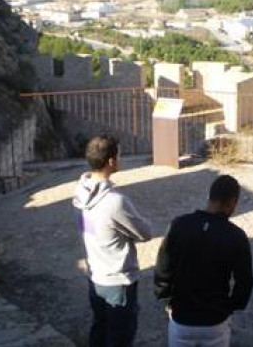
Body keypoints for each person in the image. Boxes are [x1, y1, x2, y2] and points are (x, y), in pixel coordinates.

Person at [154, 175, 253, 347]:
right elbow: (245, 281)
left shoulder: (179, 225)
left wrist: (166, 299)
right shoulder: (236, 236)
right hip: (215, 321)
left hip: (181, 318)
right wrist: (231, 307)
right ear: (233, 202)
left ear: (209, 196)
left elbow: (163, 268)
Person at [73, 134, 153, 347]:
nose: (121, 158)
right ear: (111, 161)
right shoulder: (115, 202)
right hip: (118, 281)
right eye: (119, 154)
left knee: (99, 329)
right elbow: (146, 233)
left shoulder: (81, 191)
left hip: (95, 276)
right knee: (120, 337)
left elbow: (85, 227)